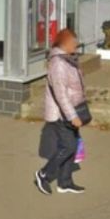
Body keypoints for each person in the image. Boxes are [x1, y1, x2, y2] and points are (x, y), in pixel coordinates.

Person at [34, 27, 88, 196]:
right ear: (65, 43)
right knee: (69, 146)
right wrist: (73, 116)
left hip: (73, 109)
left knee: (72, 145)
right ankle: (44, 174)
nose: (76, 45)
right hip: (62, 113)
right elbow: (60, 94)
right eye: (74, 43)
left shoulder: (68, 59)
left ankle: (65, 183)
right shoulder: (58, 64)